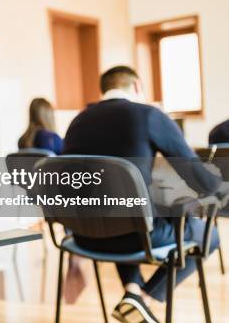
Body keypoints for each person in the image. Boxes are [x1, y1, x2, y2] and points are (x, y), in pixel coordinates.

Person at [63, 66, 222, 323]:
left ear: (103, 90)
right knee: (210, 235)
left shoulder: (77, 122)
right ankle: (143, 300)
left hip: (83, 237)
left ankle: (132, 291)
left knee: (120, 213)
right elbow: (203, 183)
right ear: (137, 86)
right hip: (135, 237)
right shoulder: (148, 115)